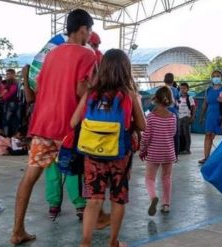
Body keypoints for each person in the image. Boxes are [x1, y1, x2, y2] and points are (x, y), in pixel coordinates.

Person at [10, 9, 96, 245]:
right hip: (68, 128)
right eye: (89, 30)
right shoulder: (87, 55)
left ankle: (17, 230)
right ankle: (95, 218)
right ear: (83, 30)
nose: (89, 35)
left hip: (42, 125)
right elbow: (81, 91)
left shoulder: (51, 55)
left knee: (30, 177)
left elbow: (38, 88)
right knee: (90, 172)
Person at [71, 49, 146, 247]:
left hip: (92, 155)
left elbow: (73, 122)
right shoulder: (129, 95)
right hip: (119, 155)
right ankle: (113, 242)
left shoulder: (91, 94)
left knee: (94, 200)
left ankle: (85, 243)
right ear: (125, 70)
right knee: (117, 199)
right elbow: (142, 126)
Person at [140, 86, 177, 216]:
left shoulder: (151, 117)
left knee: (150, 178)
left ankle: (153, 197)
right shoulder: (173, 117)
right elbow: (173, 133)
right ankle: (166, 204)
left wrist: (142, 150)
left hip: (154, 152)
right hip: (168, 152)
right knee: (166, 178)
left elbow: (146, 136)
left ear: (155, 99)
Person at [198, 70, 222, 164]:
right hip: (210, 116)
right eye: (214, 76)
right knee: (208, 135)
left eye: (218, 76)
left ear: (221, 77)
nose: (215, 78)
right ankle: (206, 157)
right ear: (211, 78)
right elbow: (205, 104)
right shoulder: (208, 90)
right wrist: (201, 116)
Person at [163, 73, 180, 158]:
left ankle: (164, 154)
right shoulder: (175, 90)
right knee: (175, 135)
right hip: (174, 115)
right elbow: (178, 101)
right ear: (173, 81)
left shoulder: (161, 90)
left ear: (164, 80)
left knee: (163, 134)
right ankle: (175, 155)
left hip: (163, 115)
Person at [0, 69, 20, 136]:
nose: (7, 75)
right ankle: (15, 137)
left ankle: (6, 137)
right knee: (16, 121)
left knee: (6, 121)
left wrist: (2, 97)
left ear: (13, 74)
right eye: (7, 74)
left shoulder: (10, 83)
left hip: (9, 103)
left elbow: (6, 94)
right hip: (17, 103)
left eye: (9, 73)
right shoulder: (17, 82)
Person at [178, 82, 196, 154]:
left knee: (186, 134)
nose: (182, 90)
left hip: (186, 118)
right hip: (179, 118)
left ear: (187, 89)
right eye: (181, 88)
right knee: (180, 134)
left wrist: (192, 117)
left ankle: (187, 149)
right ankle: (180, 149)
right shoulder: (178, 98)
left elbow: (193, 108)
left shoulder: (190, 98)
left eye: (184, 88)